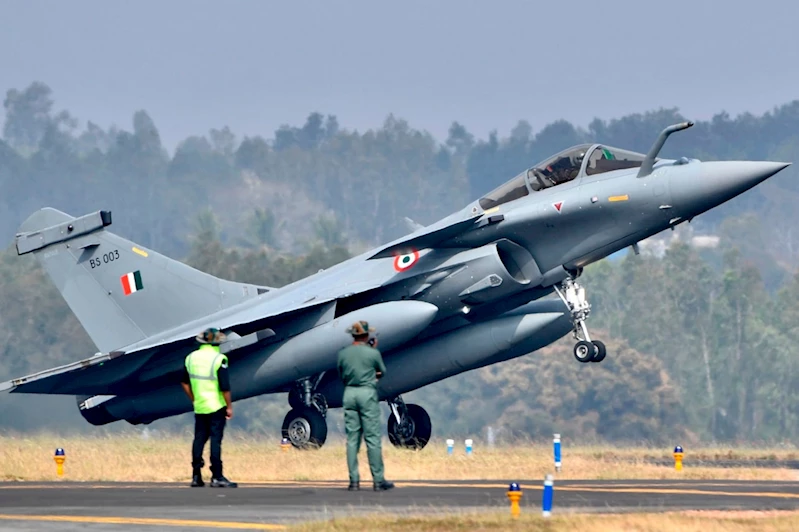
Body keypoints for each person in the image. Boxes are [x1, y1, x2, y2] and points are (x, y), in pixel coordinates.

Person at [336, 320, 395, 492]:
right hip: (367, 394)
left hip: (349, 393)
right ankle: (378, 480)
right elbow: (382, 371)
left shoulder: (343, 354)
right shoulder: (372, 353)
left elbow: (341, 374)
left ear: (353, 335)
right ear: (367, 335)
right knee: (372, 438)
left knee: (352, 439)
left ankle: (354, 481)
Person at [181, 327, 237, 488]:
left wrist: (194, 399)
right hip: (216, 405)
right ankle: (217, 476)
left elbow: (184, 382)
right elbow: (225, 387)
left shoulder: (190, 358)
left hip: (200, 406)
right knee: (215, 440)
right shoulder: (219, 359)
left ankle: (196, 476)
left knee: (199, 439)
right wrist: (229, 406)